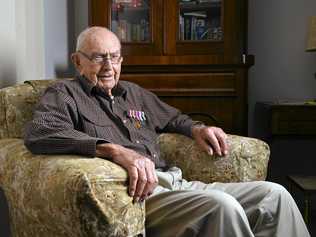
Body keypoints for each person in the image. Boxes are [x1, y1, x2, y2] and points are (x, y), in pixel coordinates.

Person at [24, 26, 310, 237]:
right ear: (77, 60)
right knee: (221, 206)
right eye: (98, 58)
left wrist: (198, 128)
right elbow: (39, 132)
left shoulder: (133, 94)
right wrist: (113, 149)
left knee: (275, 194)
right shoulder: (64, 94)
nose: (109, 67)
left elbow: (174, 118)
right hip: (137, 194)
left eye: (115, 57)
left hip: (176, 183)